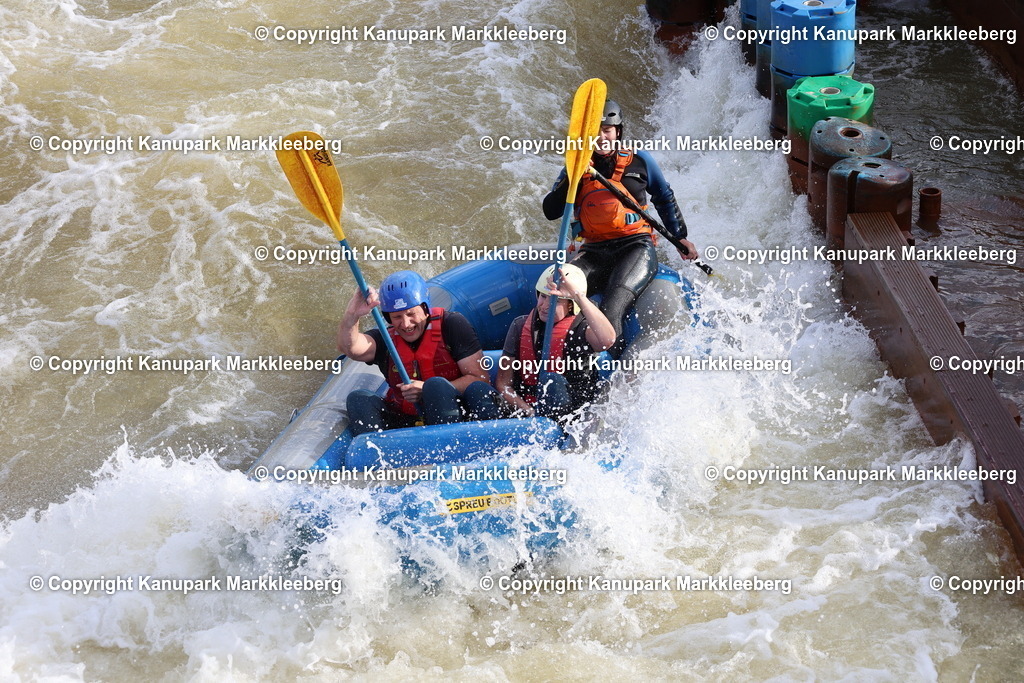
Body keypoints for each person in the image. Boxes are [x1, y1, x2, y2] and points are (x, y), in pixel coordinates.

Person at [542, 99, 698, 356]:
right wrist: (573, 176)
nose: (601, 137)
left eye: (607, 130)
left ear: (618, 132)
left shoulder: (640, 161)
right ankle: (566, 366)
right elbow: (551, 211)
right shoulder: (574, 168)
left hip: (635, 247)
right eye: (595, 132)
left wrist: (680, 236)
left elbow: (663, 196)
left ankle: (616, 373)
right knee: (557, 298)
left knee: (611, 310)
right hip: (594, 251)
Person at [337, 270, 494, 435]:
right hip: (407, 420)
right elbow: (350, 348)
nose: (406, 324)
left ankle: (444, 444)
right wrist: (352, 315)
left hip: (454, 415)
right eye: (397, 317)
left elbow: (480, 378)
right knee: (358, 398)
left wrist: (425, 389)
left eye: (411, 314)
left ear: (425, 309)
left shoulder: (452, 324)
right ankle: (377, 449)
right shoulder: (385, 339)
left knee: (435, 386)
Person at [486, 263, 616, 421]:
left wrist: (578, 296)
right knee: (479, 392)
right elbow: (503, 384)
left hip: (572, 412)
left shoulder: (582, 328)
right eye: (543, 296)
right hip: (531, 410)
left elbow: (607, 341)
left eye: (556, 300)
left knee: (551, 380)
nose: (545, 306)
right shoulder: (519, 326)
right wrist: (529, 412)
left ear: (571, 305)